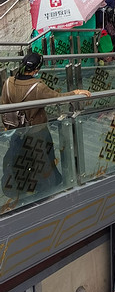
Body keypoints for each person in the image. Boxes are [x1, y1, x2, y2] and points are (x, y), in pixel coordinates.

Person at [0, 52, 90, 200]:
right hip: (37, 131)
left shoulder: (9, 82)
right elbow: (57, 99)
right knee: (42, 160)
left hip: (16, 130)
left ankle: (22, 186)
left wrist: (6, 127)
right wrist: (76, 92)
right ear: (36, 70)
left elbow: (4, 106)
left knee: (21, 158)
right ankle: (47, 190)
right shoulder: (37, 86)